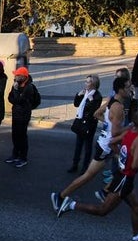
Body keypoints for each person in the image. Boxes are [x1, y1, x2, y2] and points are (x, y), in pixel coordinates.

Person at [57, 110, 138, 241]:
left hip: (124, 177)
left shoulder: (128, 133)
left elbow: (112, 143)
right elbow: (135, 165)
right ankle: (70, 205)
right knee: (102, 211)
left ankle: (137, 238)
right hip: (124, 179)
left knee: (137, 206)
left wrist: (120, 157)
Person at [52, 76, 132, 214]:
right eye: (128, 87)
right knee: (88, 176)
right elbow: (115, 133)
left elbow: (97, 114)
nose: (130, 89)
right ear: (121, 89)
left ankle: (105, 191)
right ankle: (60, 197)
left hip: (107, 144)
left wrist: (107, 123)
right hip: (107, 146)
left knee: (125, 168)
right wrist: (129, 128)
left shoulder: (111, 101)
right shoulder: (118, 107)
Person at [6, 66, 40, 167]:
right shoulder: (16, 84)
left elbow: (19, 100)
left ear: (23, 77)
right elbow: (10, 98)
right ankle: (15, 154)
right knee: (15, 135)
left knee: (22, 136)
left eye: (17, 75)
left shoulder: (28, 88)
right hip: (16, 113)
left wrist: (16, 91)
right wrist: (15, 93)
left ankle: (23, 158)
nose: (15, 77)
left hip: (24, 115)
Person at [69, 75, 103, 173]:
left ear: (93, 84)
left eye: (88, 82)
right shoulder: (85, 93)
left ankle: (85, 166)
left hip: (89, 124)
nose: (85, 84)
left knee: (88, 146)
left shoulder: (97, 96)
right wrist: (78, 95)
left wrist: (91, 100)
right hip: (81, 121)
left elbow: (94, 111)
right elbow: (76, 104)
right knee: (78, 144)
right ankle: (75, 164)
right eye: (86, 81)